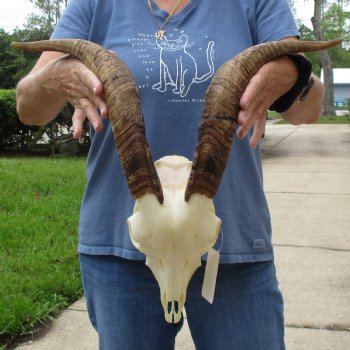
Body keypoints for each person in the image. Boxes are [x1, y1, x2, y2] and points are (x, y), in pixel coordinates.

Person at [15, 1, 324, 349]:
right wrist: (55, 79)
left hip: (230, 247)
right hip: (123, 250)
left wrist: (293, 73)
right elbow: (28, 107)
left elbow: (309, 110)